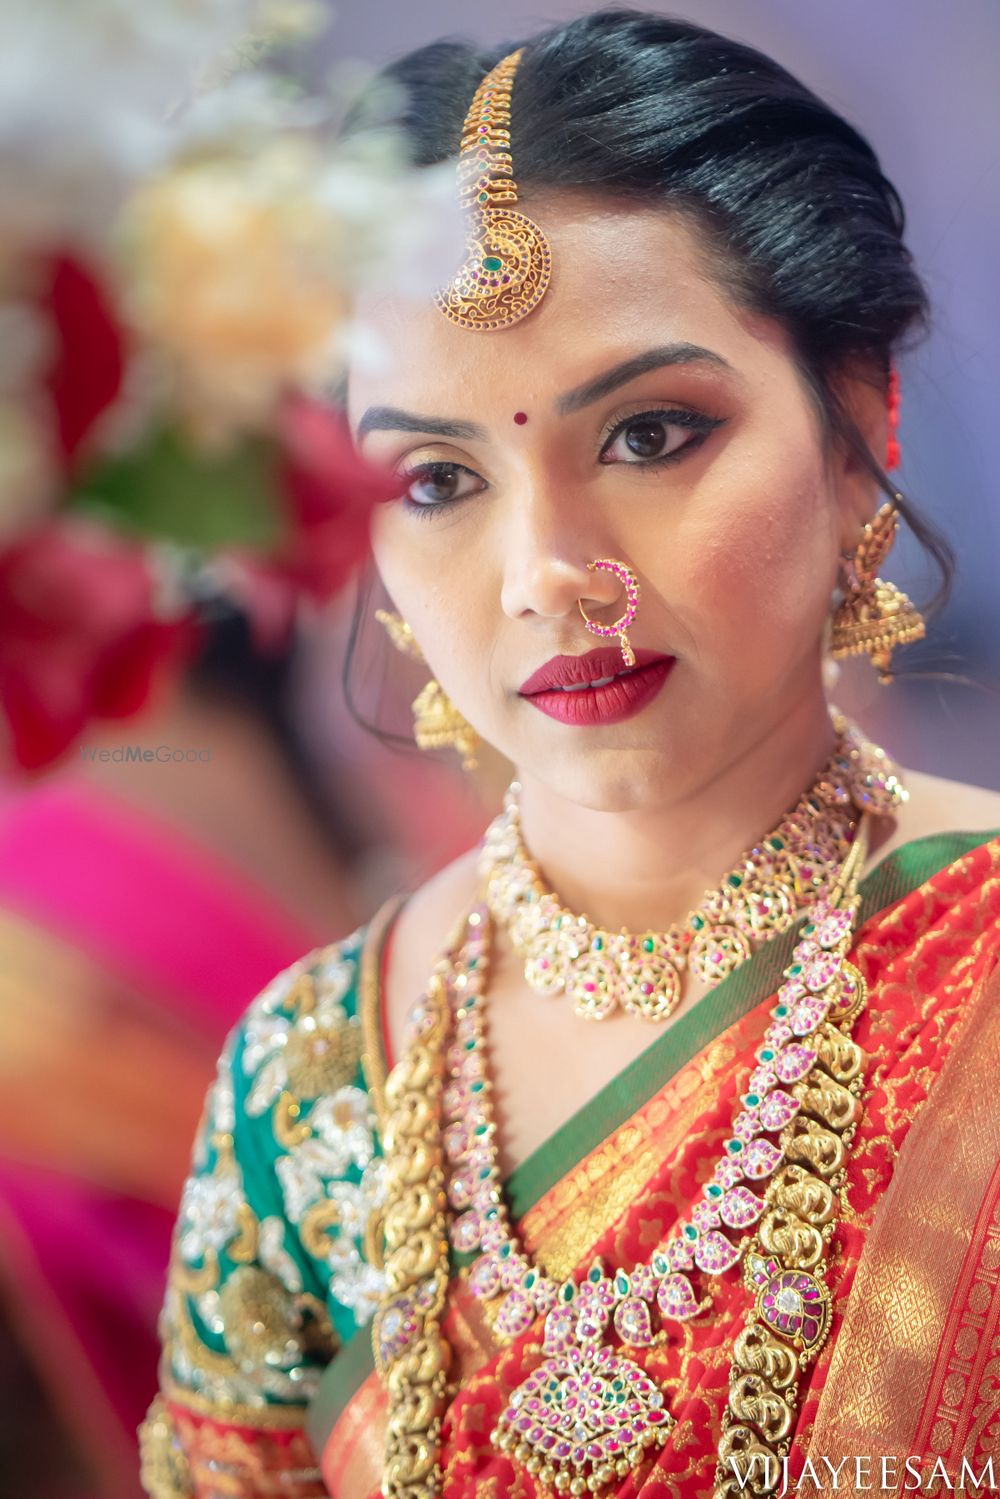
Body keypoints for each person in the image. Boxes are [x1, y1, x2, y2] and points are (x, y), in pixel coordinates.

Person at [139, 11, 1000, 1499]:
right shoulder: (308, 1085)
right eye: (437, 476)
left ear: (859, 417)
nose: (547, 571)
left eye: (652, 434)